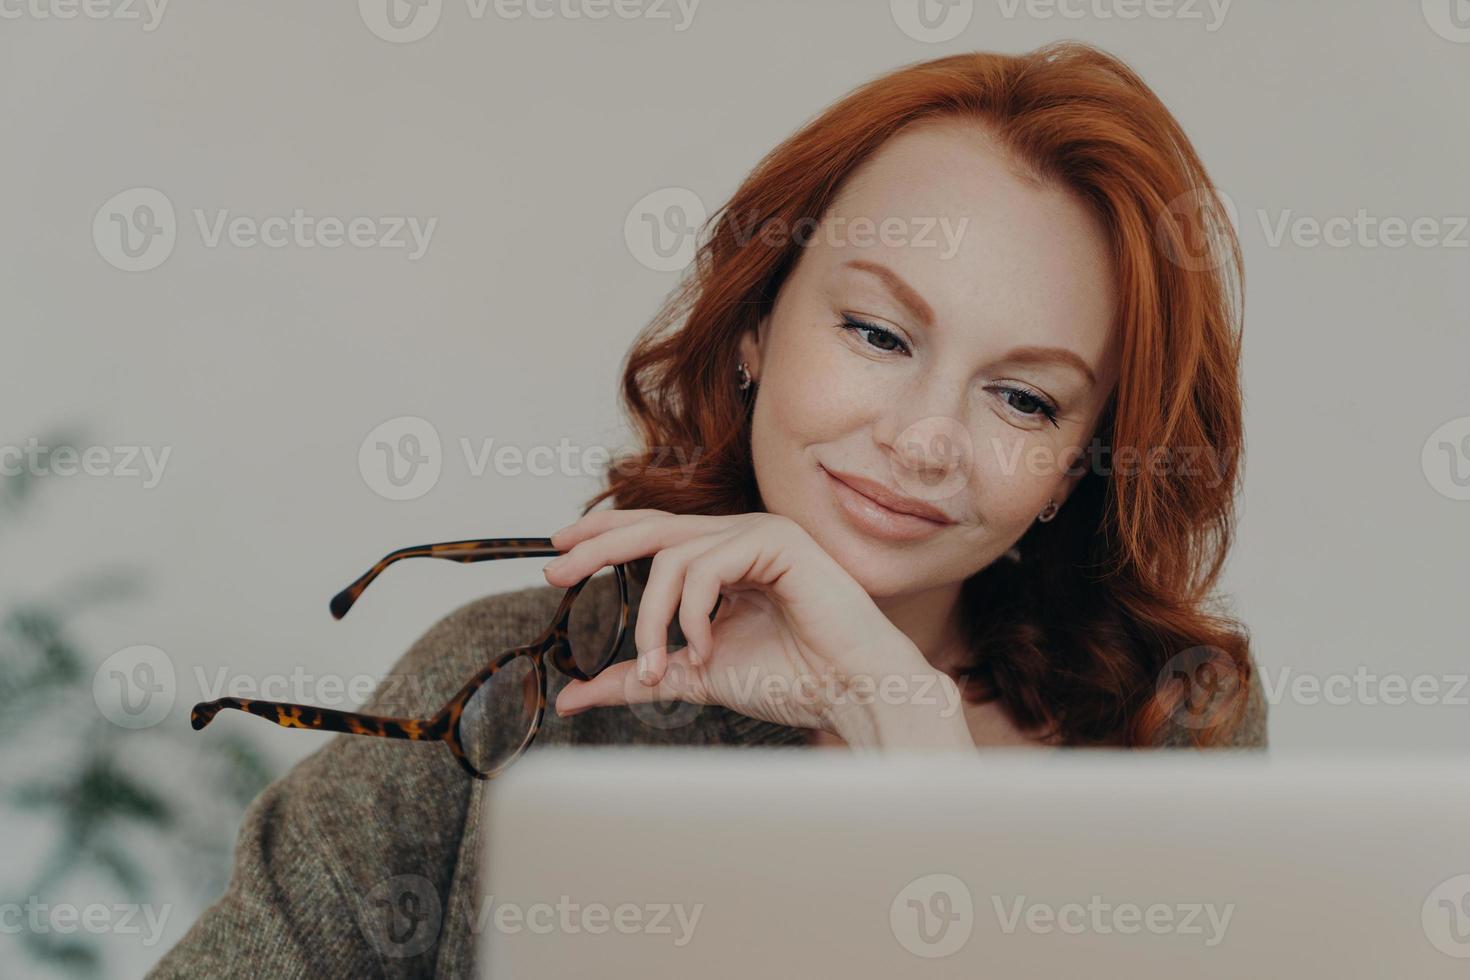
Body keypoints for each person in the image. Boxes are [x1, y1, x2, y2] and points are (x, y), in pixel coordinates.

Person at [149, 40, 1266, 978]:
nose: (924, 439)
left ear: (1077, 464)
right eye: (878, 333)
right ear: (753, 329)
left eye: (1024, 397)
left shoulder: (1168, 724)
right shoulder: (517, 677)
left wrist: (898, 714)